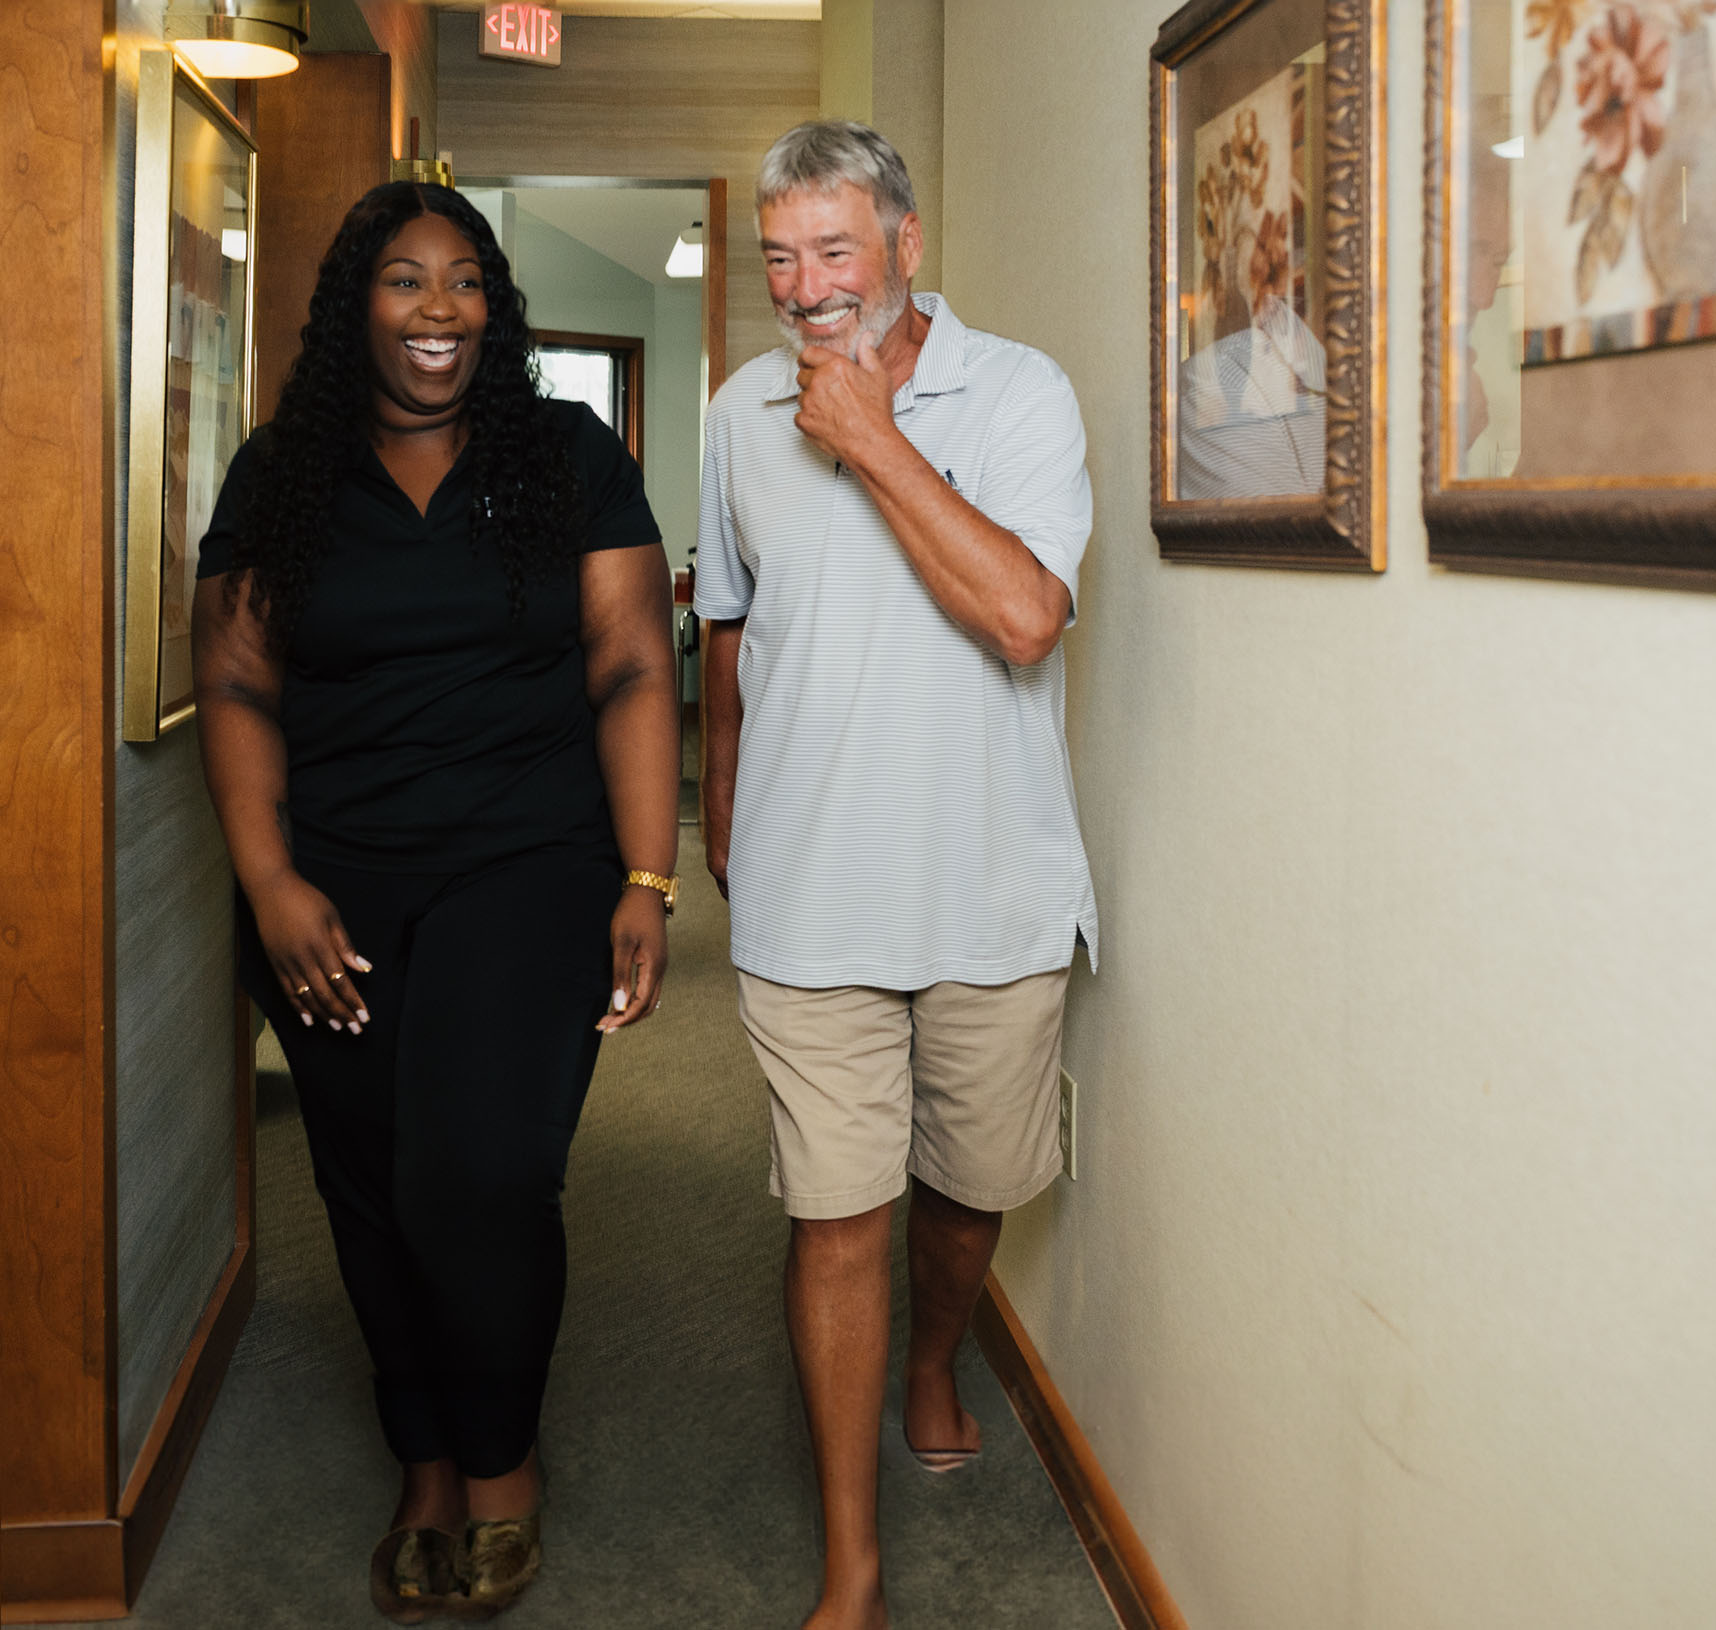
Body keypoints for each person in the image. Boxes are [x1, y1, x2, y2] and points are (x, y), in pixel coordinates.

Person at [192, 180, 681, 1622]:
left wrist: (649, 876)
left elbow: (636, 666)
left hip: (530, 867)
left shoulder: (564, 454)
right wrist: (269, 878)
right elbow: (233, 682)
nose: (440, 311)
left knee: (474, 1175)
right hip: (330, 886)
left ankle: (503, 1457)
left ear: (496, 306)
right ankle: (422, 1456)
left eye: (466, 281)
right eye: (407, 282)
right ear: (358, 302)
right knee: (365, 1188)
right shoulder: (283, 470)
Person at [696, 120, 1097, 1630]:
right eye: (780, 258)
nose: (804, 290)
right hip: (810, 892)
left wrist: (870, 434)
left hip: (993, 885)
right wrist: (722, 812)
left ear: (907, 245)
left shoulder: (1020, 392)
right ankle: (850, 1559)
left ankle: (936, 1351)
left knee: (971, 1191)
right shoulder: (738, 411)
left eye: (836, 251)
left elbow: (1022, 615)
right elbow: (727, 628)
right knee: (836, 1214)